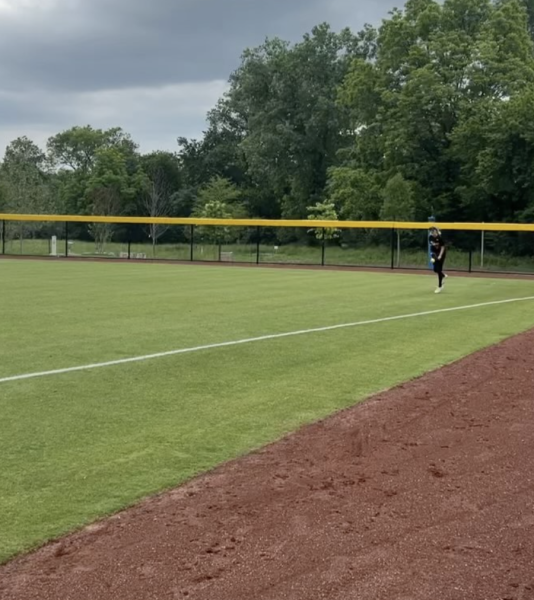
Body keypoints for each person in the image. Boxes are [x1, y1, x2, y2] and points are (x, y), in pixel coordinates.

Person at [428, 226, 447, 293]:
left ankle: (440, 286)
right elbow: (432, 246)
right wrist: (434, 255)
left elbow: (442, 247)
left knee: (439, 269)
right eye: (431, 231)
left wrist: (440, 256)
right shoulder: (430, 237)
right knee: (435, 269)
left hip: (441, 253)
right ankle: (442, 275)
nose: (432, 232)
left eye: (433, 231)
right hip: (434, 253)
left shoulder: (440, 237)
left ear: (436, 231)